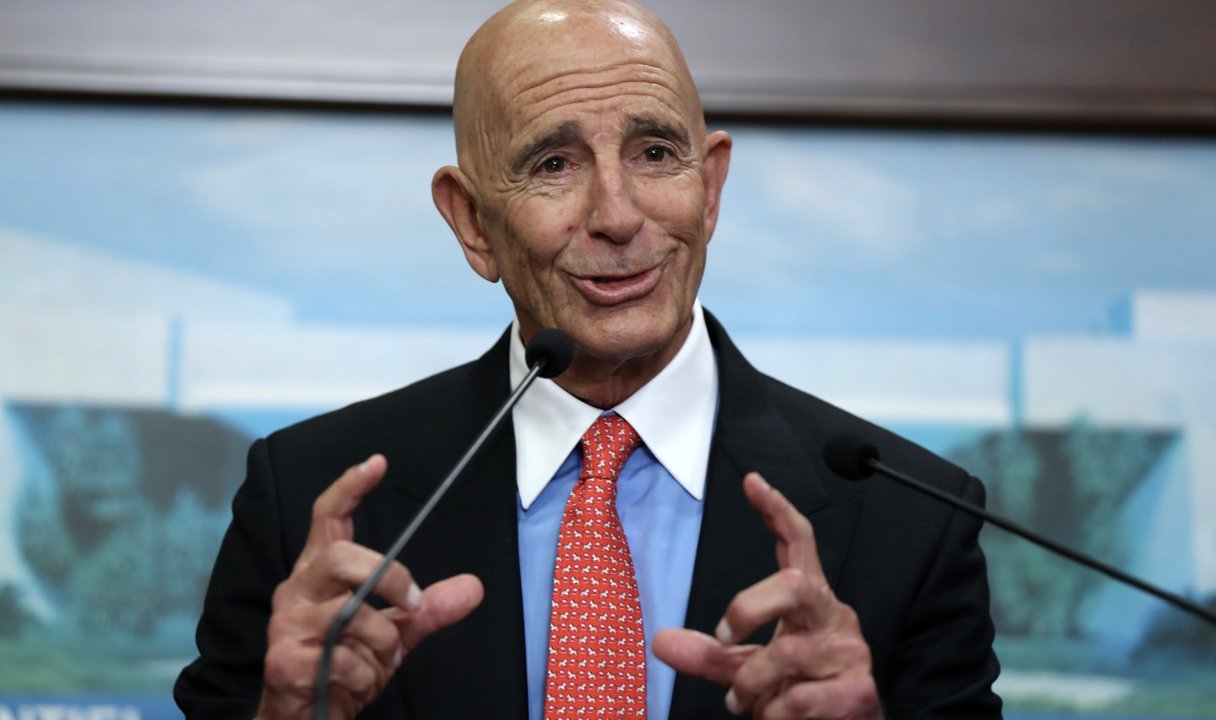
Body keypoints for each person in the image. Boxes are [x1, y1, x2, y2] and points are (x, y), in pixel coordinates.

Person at [175, 1, 1003, 718]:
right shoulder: (306, 501)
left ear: (711, 189)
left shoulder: (910, 517)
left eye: (654, 153)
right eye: (554, 164)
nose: (617, 214)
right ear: (472, 223)